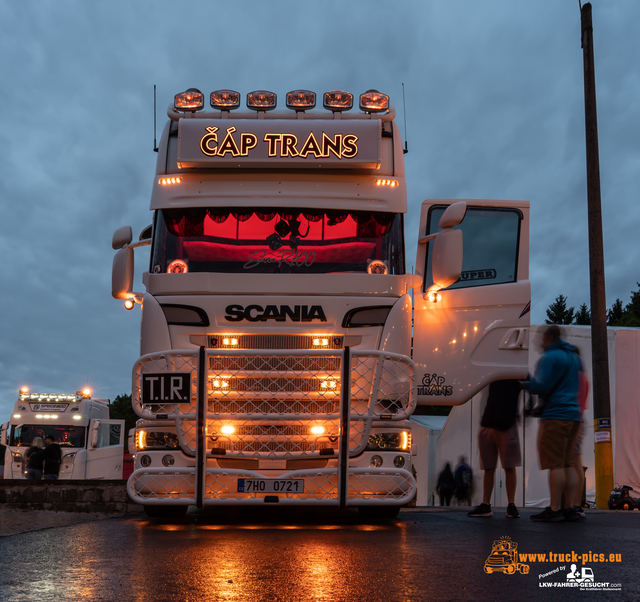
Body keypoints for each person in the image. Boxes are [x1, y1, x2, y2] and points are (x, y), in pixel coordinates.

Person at [521, 325, 582, 522]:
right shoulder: (574, 357)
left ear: (548, 338)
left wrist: (525, 384)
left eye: (541, 337)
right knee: (569, 463)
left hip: (556, 415)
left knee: (555, 465)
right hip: (574, 415)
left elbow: (541, 386)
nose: (539, 341)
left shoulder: (549, 358)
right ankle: (571, 507)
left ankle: (554, 508)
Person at [468, 379, 522, 518]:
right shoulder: (515, 371)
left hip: (491, 421)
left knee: (492, 468)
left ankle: (489, 504)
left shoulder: (501, 369)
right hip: (502, 422)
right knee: (503, 467)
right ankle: (509, 505)